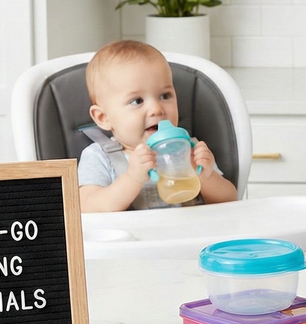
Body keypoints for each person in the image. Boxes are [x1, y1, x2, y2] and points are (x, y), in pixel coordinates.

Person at [79, 40, 238, 212]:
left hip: (191, 236)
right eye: (137, 101)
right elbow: (88, 208)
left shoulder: (189, 149)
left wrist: (207, 177)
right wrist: (132, 178)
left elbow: (230, 201)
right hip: (133, 238)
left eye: (165, 96)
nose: (156, 109)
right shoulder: (98, 156)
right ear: (103, 117)